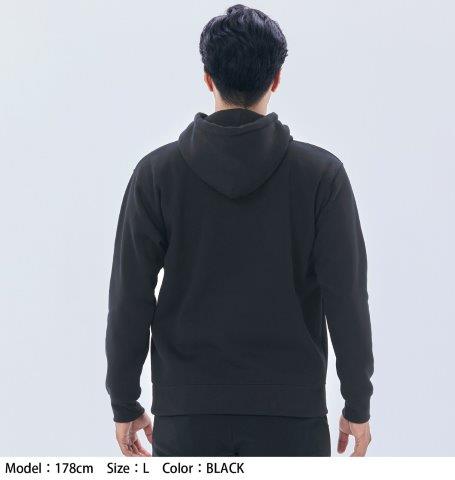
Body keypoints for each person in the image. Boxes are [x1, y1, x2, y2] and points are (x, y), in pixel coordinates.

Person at [105, 4, 373, 457]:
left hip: (188, 416)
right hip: (292, 418)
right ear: (276, 79)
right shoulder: (321, 177)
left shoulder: (156, 175)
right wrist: (357, 403)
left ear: (207, 77)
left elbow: (129, 297)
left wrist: (125, 402)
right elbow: (346, 298)